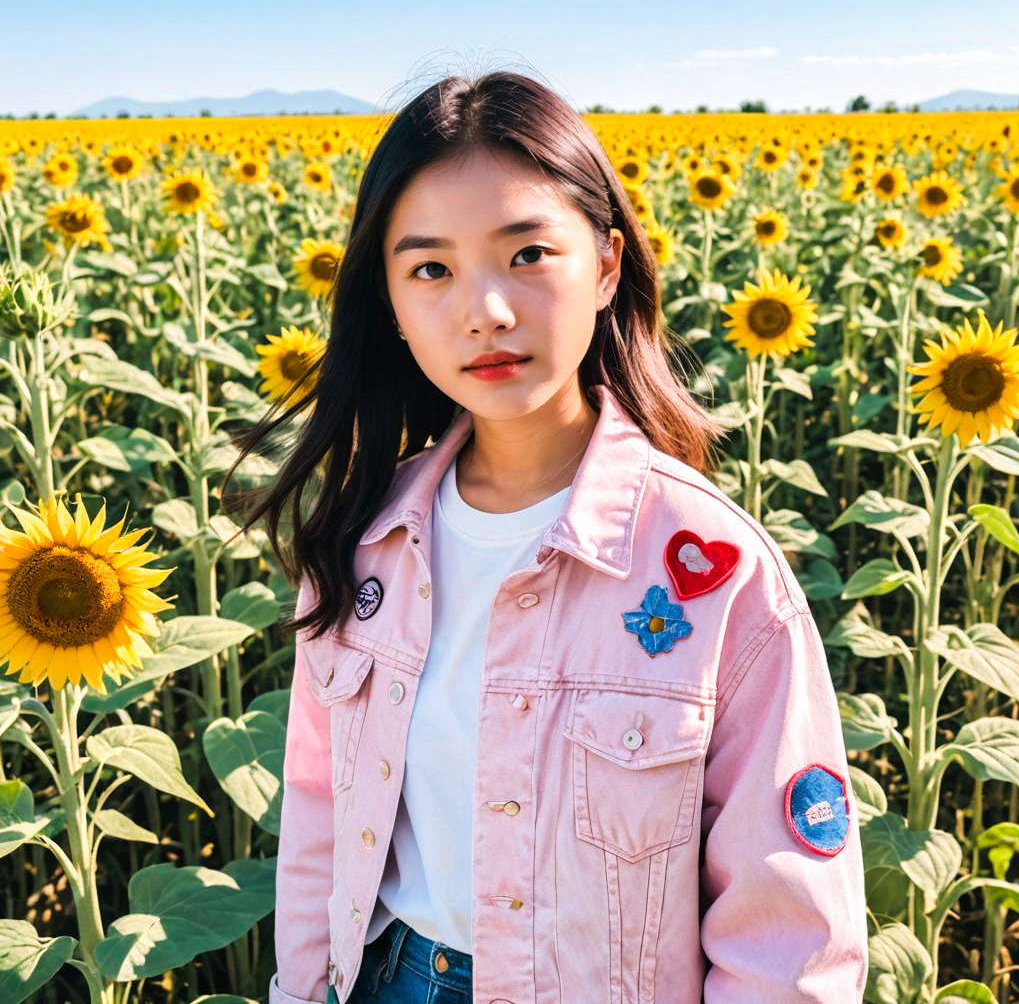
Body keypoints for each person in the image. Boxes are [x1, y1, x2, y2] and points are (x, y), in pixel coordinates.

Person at [226, 69, 869, 1004]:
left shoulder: (715, 574)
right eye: (431, 269)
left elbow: (787, 929)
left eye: (527, 254)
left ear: (606, 265)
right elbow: (322, 830)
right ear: (395, 309)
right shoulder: (367, 547)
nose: (484, 309)